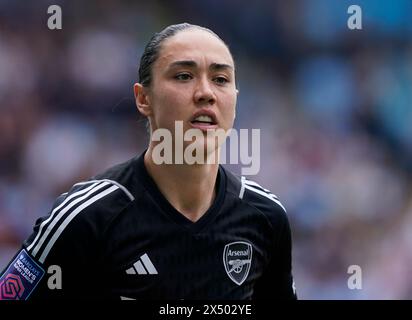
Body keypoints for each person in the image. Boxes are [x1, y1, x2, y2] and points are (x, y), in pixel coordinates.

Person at [0, 23, 297, 300]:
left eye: (220, 79)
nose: (206, 92)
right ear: (143, 99)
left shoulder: (266, 218)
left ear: (234, 99)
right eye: (183, 76)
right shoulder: (86, 218)